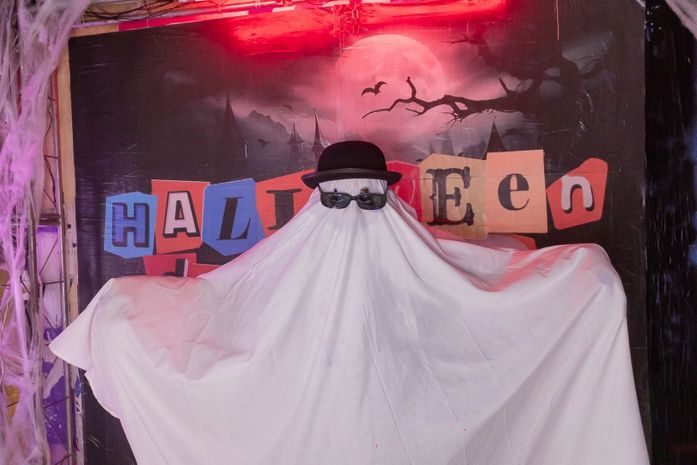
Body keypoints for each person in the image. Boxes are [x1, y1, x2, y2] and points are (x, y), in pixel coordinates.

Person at [50, 141, 649, 465]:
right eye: (341, 198)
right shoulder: (287, 265)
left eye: (367, 198)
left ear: (388, 196)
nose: (355, 211)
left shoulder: (425, 261)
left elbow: (495, 288)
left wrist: (586, 283)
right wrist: (120, 315)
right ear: (319, 199)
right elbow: (215, 300)